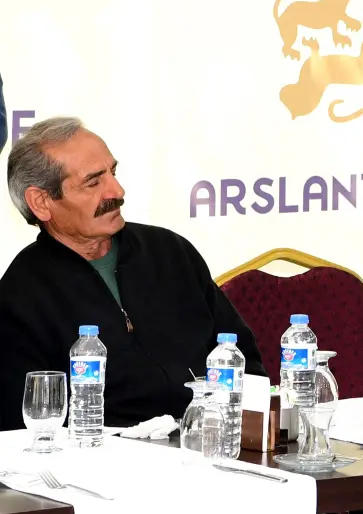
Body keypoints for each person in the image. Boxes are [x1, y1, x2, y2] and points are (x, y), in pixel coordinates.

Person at [0, 117, 265, 429]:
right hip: (102, 454)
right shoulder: (20, 296)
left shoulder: (170, 252)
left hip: (209, 439)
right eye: (93, 183)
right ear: (42, 202)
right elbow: (24, 426)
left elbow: (242, 358)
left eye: (113, 173)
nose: (117, 190)